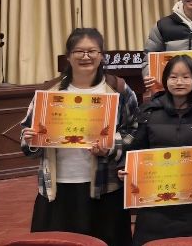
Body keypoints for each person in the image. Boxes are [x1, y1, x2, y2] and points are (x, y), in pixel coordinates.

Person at [20, 28, 138, 246]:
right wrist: (31, 140)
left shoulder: (118, 89)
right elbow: (27, 136)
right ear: (68, 56)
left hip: (105, 188)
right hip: (56, 189)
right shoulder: (49, 92)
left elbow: (134, 131)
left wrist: (111, 146)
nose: (86, 56)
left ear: (101, 55)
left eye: (92, 51)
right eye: (79, 51)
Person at [127, 54, 192, 245]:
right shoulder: (149, 110)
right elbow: (136, 149)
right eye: (173, 77)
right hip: (155, 200)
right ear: (165, 80)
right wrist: (127, 168)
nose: (179, 82)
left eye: (186, 77)